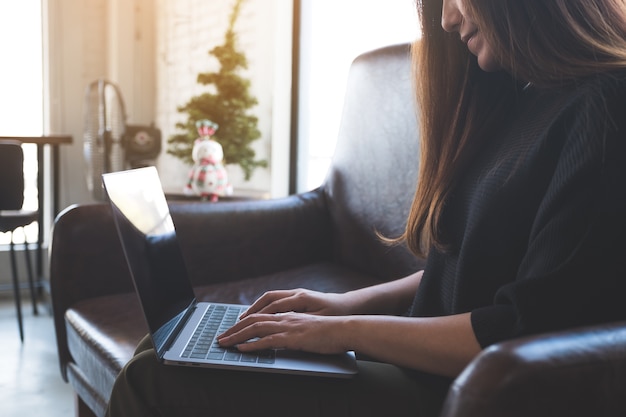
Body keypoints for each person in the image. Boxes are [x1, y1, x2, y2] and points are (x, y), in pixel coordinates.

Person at [106, 0, 626, 416]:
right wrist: (339, 306)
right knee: (163, 345)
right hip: (425, 370)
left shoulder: (606, 106)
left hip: (460, 393)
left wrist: (343, 333)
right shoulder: (524, 99)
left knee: (152, 380)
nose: (445, 18)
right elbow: (460, 272)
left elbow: (524, 330)